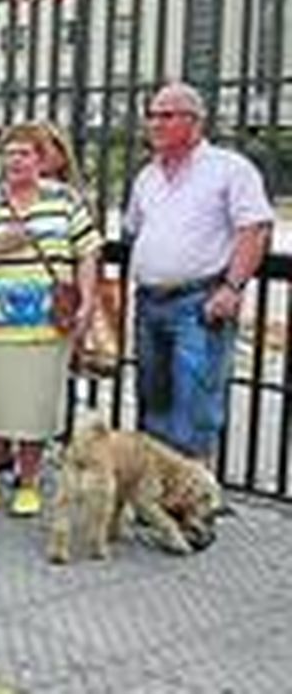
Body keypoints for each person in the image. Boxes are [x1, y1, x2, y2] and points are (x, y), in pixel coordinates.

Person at [0, 123, 101, 518]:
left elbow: (86, 250)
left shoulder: (64, 200)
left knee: (35, 408)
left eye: (25, 153)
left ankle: (28, 480)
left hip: (46, 324)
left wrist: (88, 301)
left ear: (41, 159)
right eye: (10, 153)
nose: (16, 160)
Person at [126, 82, 273, 460]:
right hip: (150, 302)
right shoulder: (148, 176)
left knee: (195, 406)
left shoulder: (230, 169)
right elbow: (135, 230)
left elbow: (254, 229)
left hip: (199, 302)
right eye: (152, 115)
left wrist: (232, 287)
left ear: (195, 122)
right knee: (153, 401)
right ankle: (157, 495)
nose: (155, 123)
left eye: (167, 115)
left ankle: (191, 499)